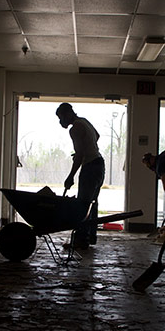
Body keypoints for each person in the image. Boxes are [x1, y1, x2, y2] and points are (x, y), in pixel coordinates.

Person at [56, 102, 105, 249]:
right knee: (92, 203)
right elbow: (97, 136)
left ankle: (80, 240)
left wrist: (70, 176)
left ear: (68, 114)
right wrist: (86, 149)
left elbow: (79, 156)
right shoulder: (84, 121)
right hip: (99, 164)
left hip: (90, 167)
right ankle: (90, 237)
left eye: (61, 117)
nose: (61, 122)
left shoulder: (75, 129)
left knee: (83, 204)